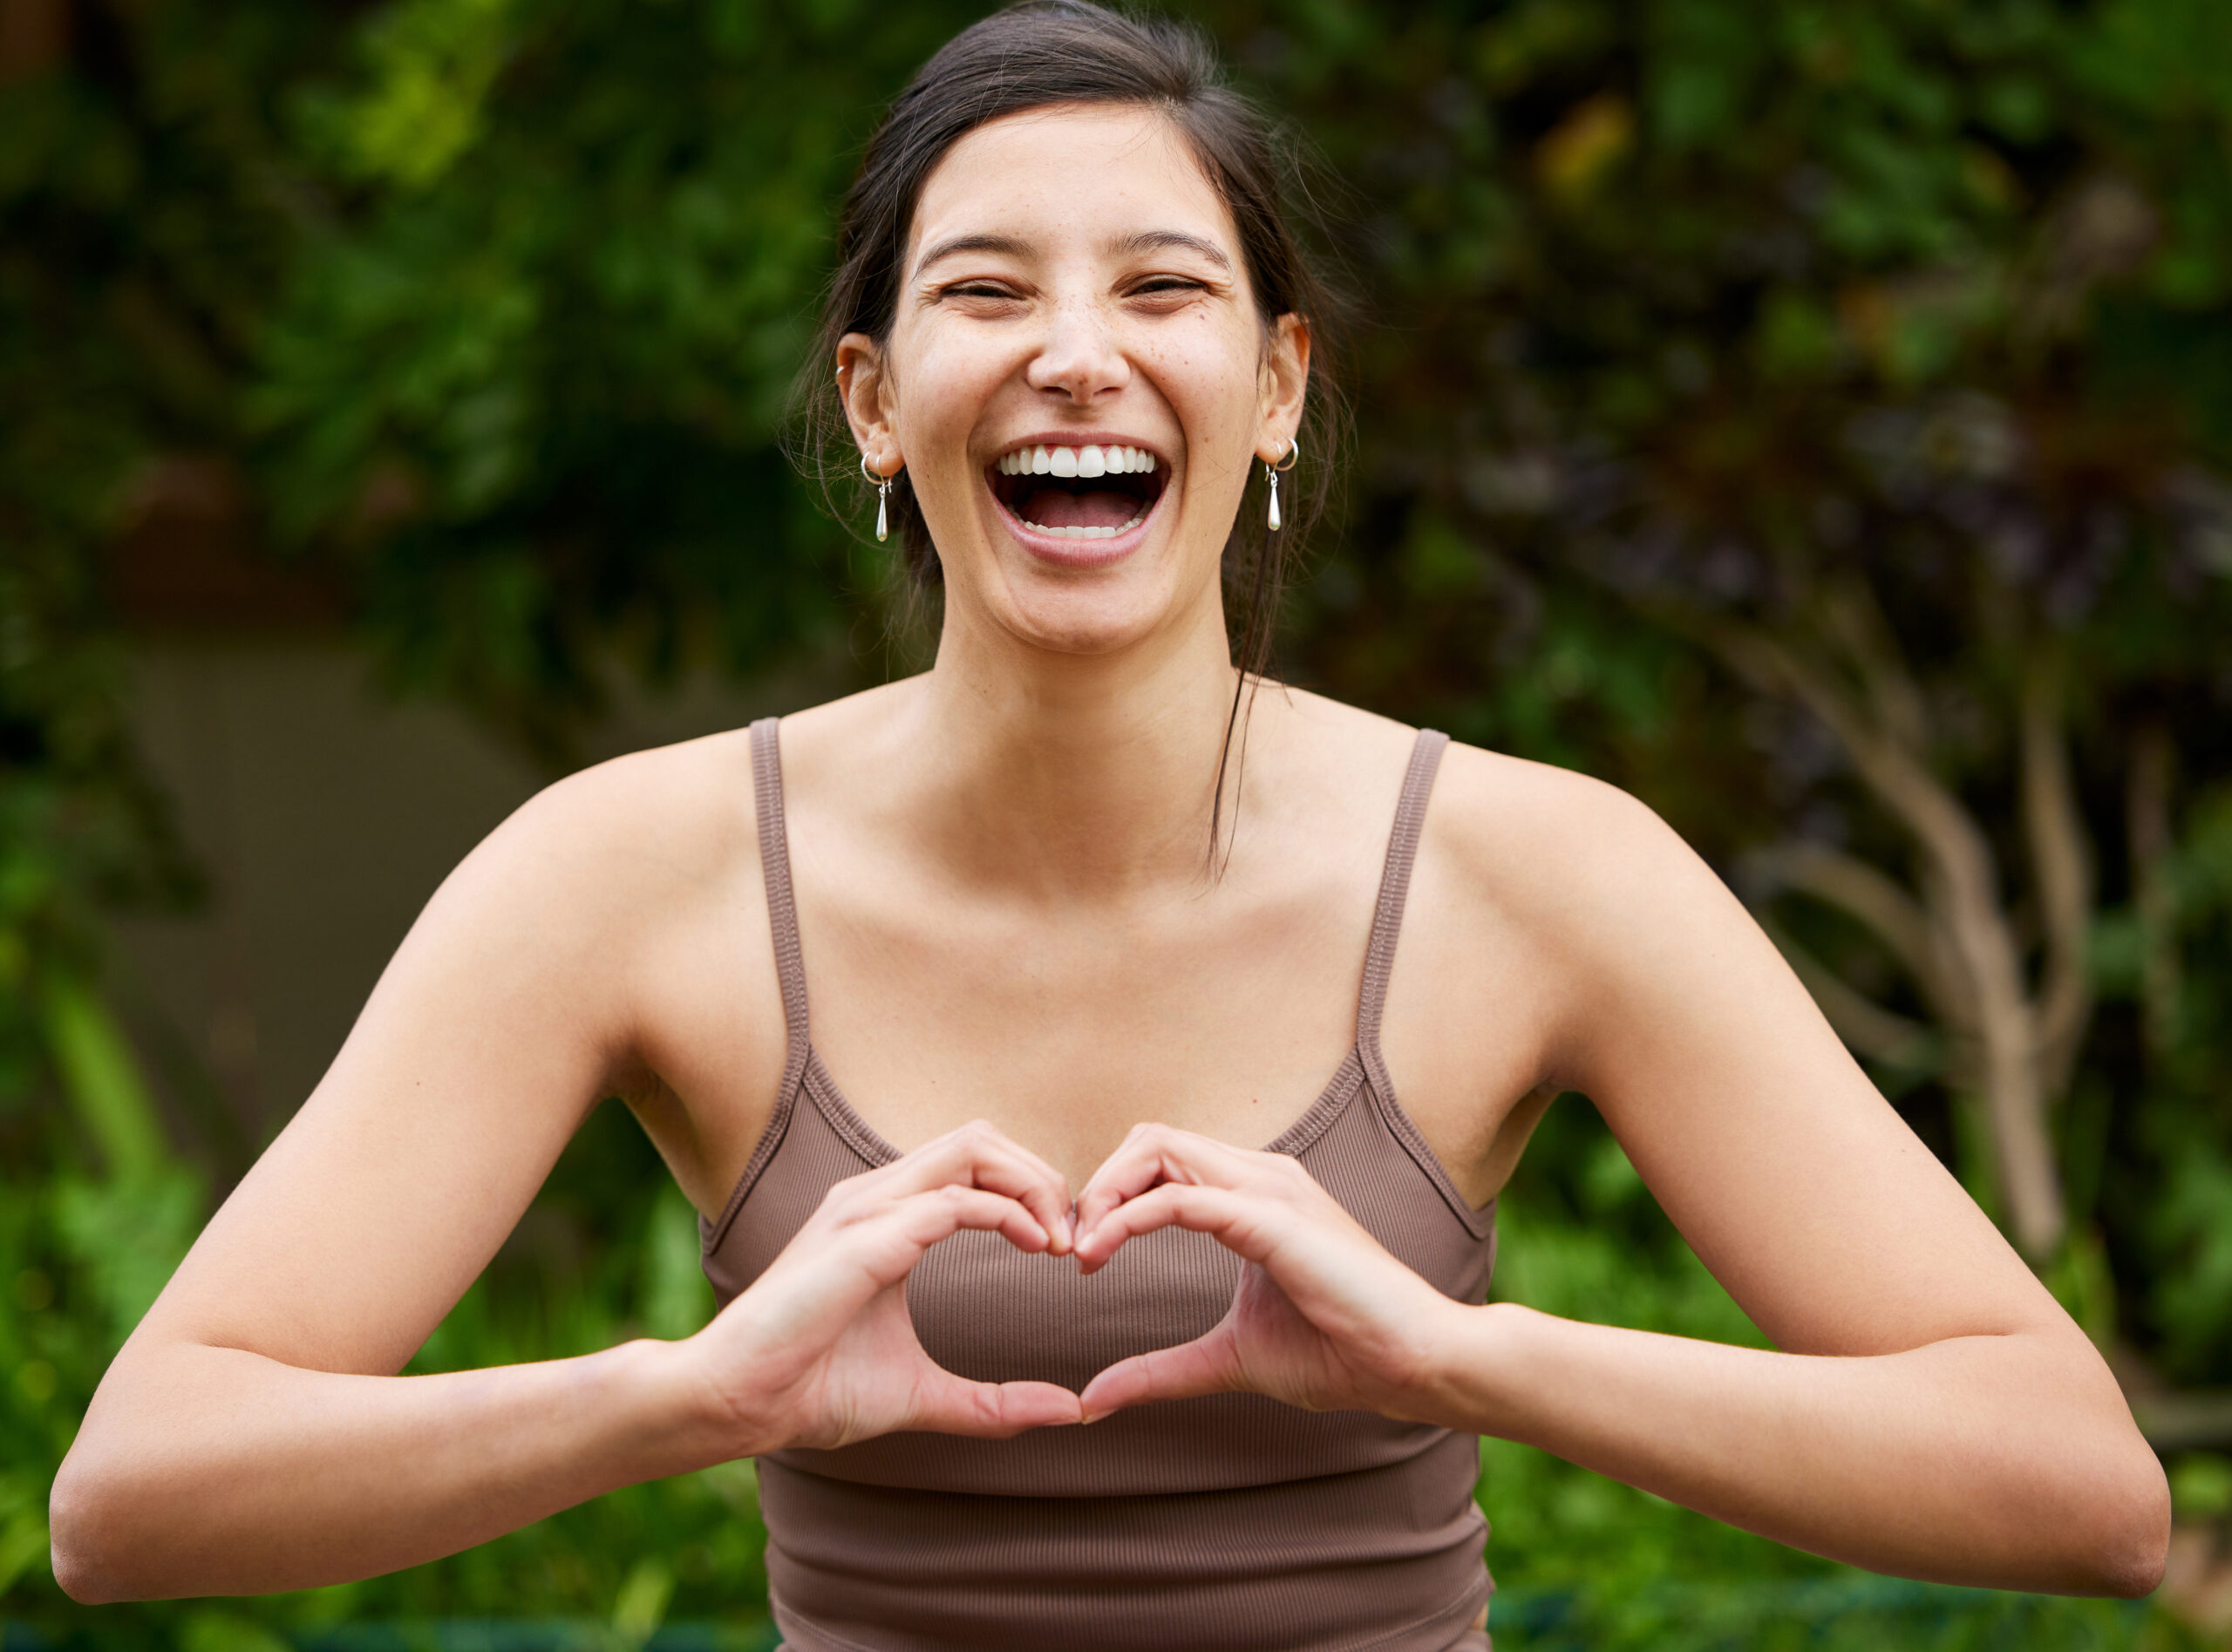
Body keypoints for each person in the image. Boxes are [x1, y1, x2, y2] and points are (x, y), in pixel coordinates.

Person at [51, 3, 2167, 1647]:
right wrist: (700, 1394)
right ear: (877, 403)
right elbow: (136, 1494)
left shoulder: (1538, 874)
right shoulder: (627, 876)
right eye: (984, 293)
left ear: (1275, 388)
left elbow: (2071, 1484)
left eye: (1161, 289)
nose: (1075, 355)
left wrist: (1458, 1358)